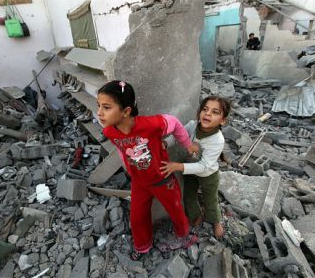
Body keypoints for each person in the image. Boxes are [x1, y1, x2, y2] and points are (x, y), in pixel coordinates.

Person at [97, 80, 198, 261]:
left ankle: (183, 236)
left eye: (106, 107)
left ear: (126, 111)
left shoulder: (150, 125)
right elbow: (121, 149)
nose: (99, 113)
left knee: (175, 209)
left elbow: (174, 123)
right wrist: (128, 168)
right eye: (99, 106)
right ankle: (143, 246)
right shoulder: (110, 132)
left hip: (162, 179)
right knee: (137, 217)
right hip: (139, 182)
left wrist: (188, 145)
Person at [160, 95, 231, 238]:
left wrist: (177, 166)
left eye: (215, 112)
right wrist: (166, 143)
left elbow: (204, 167)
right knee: (189, 196)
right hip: (190, 170)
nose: (208, 113)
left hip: (208, 175)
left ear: (222, 121)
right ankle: (196, 215)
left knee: (210, 199)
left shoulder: (217, 140)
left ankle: (215, 221)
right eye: (205, 109)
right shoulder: (192, 125)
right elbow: (178, 136)